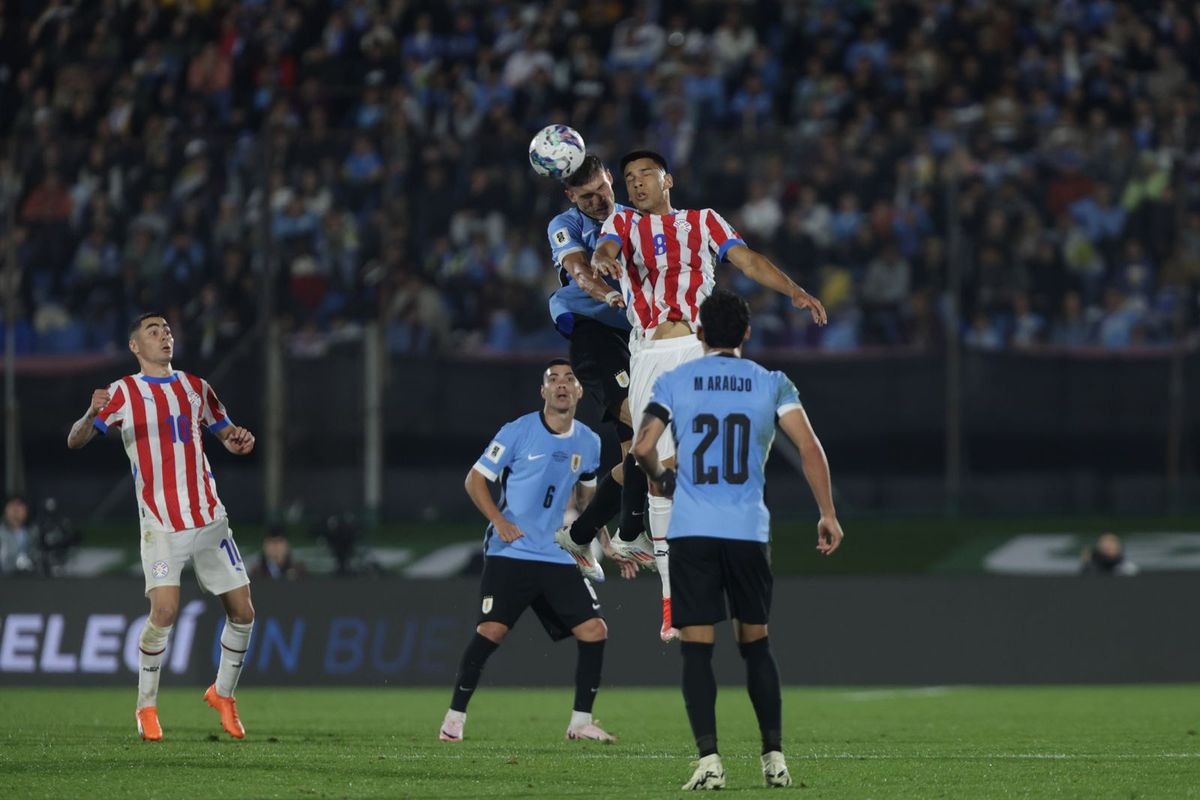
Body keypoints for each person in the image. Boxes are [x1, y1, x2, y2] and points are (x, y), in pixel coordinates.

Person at [561, 149, 828, 642]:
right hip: (648, 356)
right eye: (629, 177)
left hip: (700, 351)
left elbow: (746, 259)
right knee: (657, 471)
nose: (636, 183)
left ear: (668, 179)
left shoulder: (705, 222)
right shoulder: (621, 227)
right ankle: (670, 603)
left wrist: (793, 290)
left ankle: (724, 563)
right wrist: (603, 262)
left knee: (708, 464)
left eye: (645, 174)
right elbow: (604, 253)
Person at [631, 289, 844, 790]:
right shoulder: (772, 383)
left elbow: (642, 447)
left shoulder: (675, 379)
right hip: (747, 530)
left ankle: (709, 762)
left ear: (699, 334)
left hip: (690, 532)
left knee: (697, 650)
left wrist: (662, 477)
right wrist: (827, 513)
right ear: (747, 332)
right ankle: (774, 758)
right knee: (756, 644)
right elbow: (809, 447)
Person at [66, 312, 257, 742]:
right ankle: (146, 707)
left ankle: (223, 694)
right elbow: (75, 441)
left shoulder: (196, 387)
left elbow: (225, 433)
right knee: (165, 611)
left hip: (209, 518)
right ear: (136, 346)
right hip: (162, 524)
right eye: (154, 332)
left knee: (243, 612)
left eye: (167, 330)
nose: (164, 336)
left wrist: (239, 441)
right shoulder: (121, 393)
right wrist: (88, 413)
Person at [438, 359, 616, 744]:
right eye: (553, 379)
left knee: (594, 630)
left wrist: (604, 540)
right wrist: (498, 521)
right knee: (491, 630)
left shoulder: (589, 442)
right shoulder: (517, 431)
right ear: (544, 392)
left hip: (554, 553)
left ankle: (581, 721)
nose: (562, 384)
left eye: (570, 379)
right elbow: (474, 480)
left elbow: (587, 501)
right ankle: (454, 719)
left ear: (579, 391)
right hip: (511, 550)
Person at [546, 153, 651, 591]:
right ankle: (630, 531)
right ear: (571, 196)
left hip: (638, 340)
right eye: (584, 197)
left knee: (637, 454)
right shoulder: (564, 226)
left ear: (611, 180)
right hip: (593, 333)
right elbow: (579, 271)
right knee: (644, 422)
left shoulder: (635, 221)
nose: (595, 201)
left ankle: (580, 534)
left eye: (601, 192)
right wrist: (607, 295)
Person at [0, 495, 36, 575]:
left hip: (30, 581)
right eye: (12, 506)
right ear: (5, 510)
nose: (15, 510)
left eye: (19, 506)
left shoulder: (34, 533)